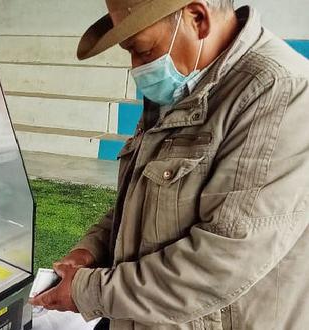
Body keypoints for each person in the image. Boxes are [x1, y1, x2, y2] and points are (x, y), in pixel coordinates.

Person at [30, 0, 309, 329]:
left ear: (197, 18)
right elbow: (142, 199)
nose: (137, 67)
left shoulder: (279, 92)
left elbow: (220, 265)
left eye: (143, 49)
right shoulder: (183, 86)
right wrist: (92, 249)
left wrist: (88, 291)